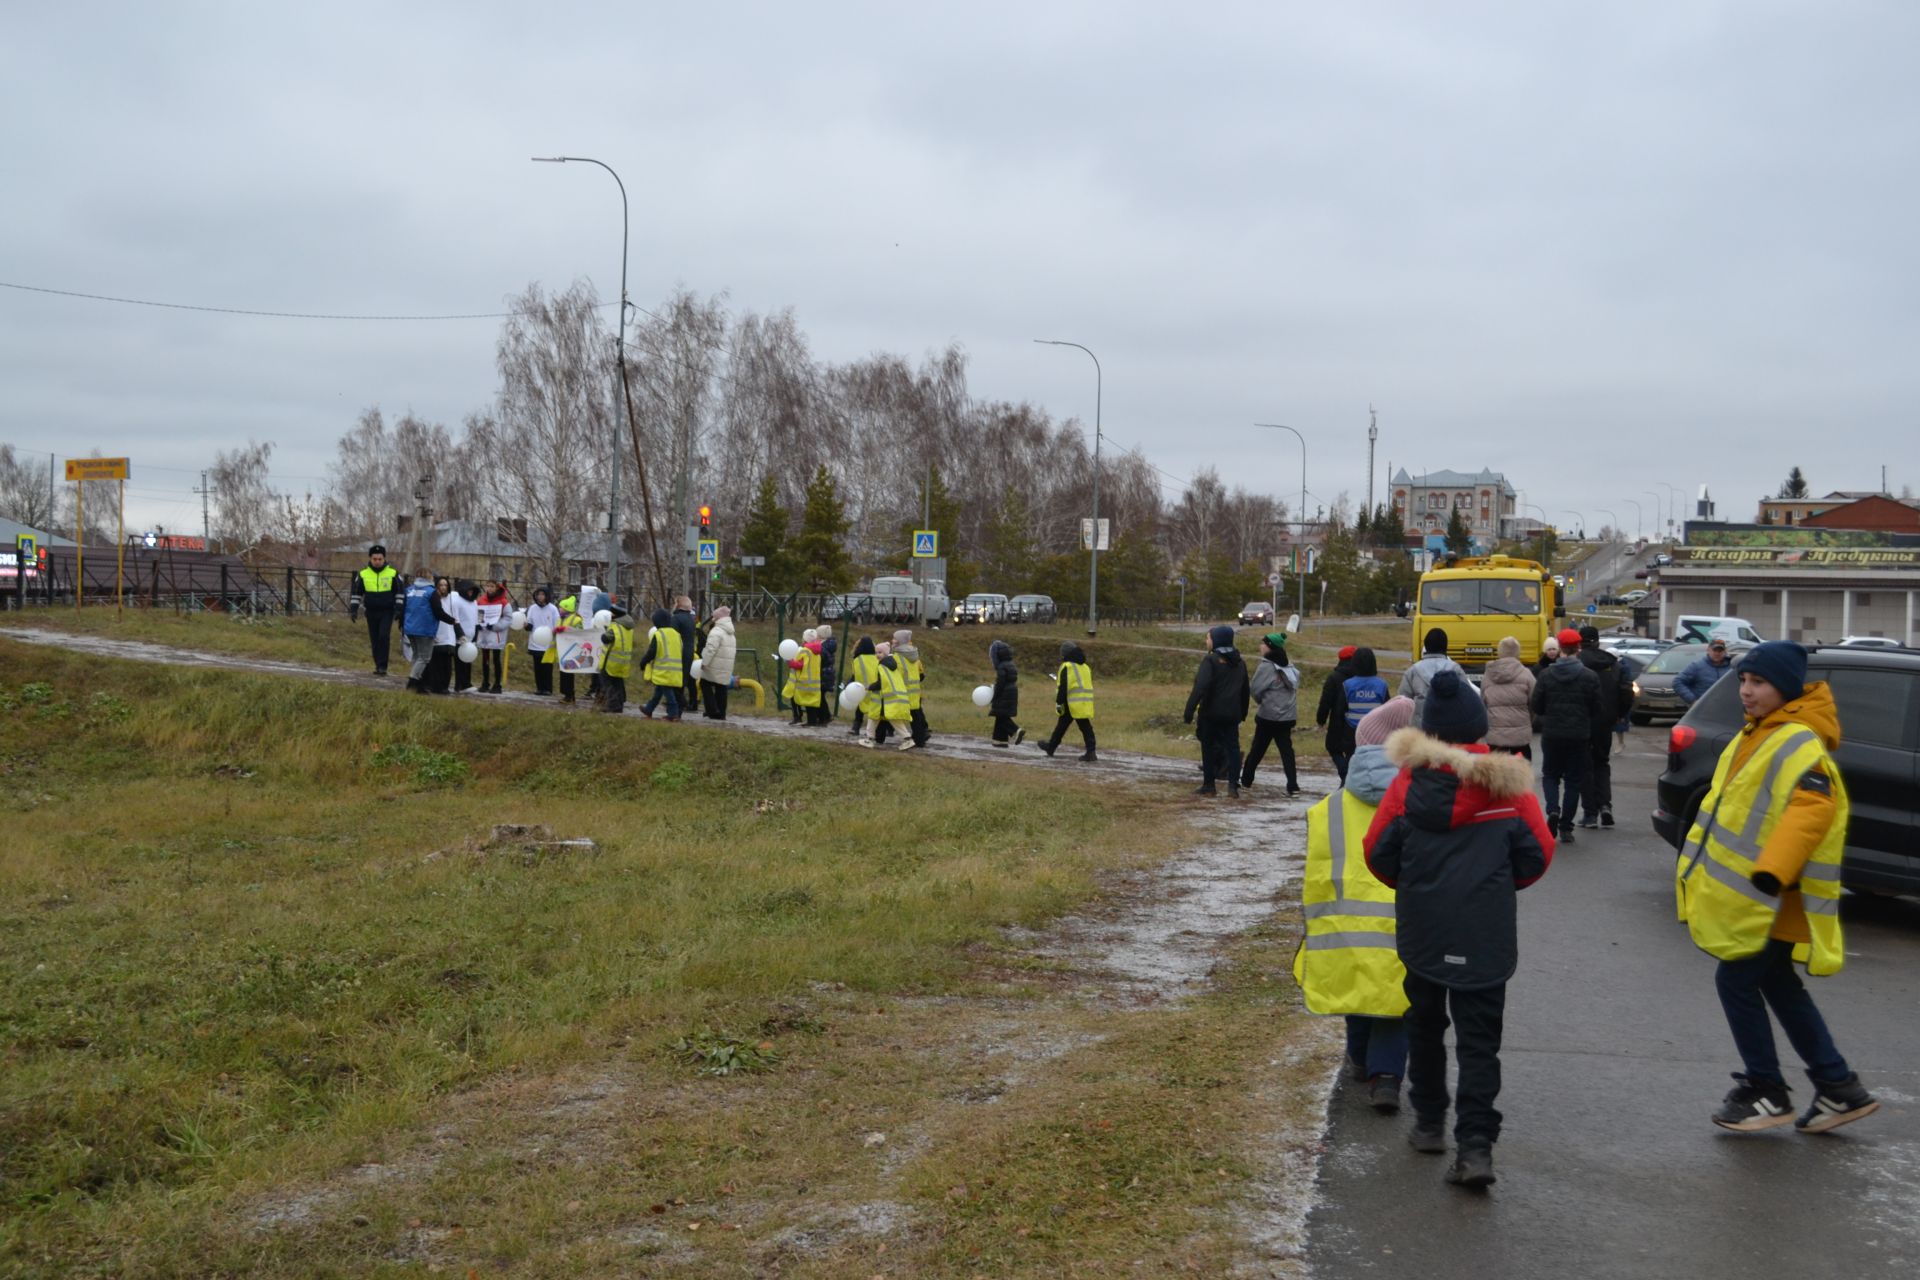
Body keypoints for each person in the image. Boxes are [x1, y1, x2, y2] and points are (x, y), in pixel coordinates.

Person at [1363, 671, 1554, 1189]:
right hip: (1484, 931)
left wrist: (1416, 885)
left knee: (1424, 1026)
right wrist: (1495, 886)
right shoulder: (1508, 785)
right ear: (1478, 727)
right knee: (1478, 1043)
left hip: (1423, 928)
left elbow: (1378, 855)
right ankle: (1475, 1149)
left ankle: (1428, 1124)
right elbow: (1537, 857)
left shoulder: (1406, 784)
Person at [1678, 641, 1878, 1133]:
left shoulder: (1796, 740)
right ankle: (1837, 1087)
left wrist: (1773, 869)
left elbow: (1812, 811)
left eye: (1758, 683)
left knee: (1737, 980)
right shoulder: (1761, 732)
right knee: (1777, 984)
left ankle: (1766, 1089)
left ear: (1784, 688)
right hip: (1766, 895)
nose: (1746, 690)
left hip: (1774, 894)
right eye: (1744, 681)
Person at [1296, 696, 1417, 1114]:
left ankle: (1360, 1058)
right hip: (1406, 922)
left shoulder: (1329, 807)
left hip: (1343, 923)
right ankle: (1386, 1077)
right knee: (1395, 1000)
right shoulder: (1419, 800)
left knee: (1359, 986)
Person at [1530, 628, 1601, 843]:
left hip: (1552, 733)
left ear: (1560, 648)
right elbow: (1596, 709)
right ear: (1578, 648)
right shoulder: (1589, 676)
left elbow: (1537, 706)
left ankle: (1552, 810)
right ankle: (1566, 826)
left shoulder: (1546, 675)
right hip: (1579, 735)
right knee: (1573, 780)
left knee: (1550, 775)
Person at [1575, 624, 1632, 829]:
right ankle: (1606, 806)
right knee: (1602, 763)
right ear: (1598, 641)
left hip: (1582, 721)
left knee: (1584, 766)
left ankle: (1590, 813)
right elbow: (1627, 691)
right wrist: (1619, 715)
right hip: (1605, 721)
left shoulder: (1577, 664)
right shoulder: (1613, 664)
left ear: (1580, 642)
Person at [1184, 624, 1250, 797]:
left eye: (1208, 638)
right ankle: (1233, 786)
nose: (1206, 641)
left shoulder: (1211, 660)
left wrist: (1189, 710)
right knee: (1233, 749)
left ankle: (1209, 785)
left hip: (1211, 713)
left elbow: (1200, 686)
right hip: (1232, 714)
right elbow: (1245, 690)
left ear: (1216, 640)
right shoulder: (1240, 662)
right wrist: (1243, 713)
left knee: (1208, 747)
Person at [1242, 633, 1300, 792]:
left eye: (1263, 644)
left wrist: (1262, 701)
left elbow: (1255, 689)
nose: (1260, 647)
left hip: (1268, 716)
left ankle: (1246, 780)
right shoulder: (1289, 665)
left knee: (1257, 749)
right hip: (1287, 717)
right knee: (1287, 751)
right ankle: (1293, 785)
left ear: (1270, 647)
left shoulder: (1266, 666)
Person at [348, 544, 403, 676]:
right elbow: (356, 593)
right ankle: (378, 664)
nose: (377, 561)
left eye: (380, 559)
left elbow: (400, 593)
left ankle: (383, 666)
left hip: (387, 611)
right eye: (374, 559)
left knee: (384, 636)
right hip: (371, 611)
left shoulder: (393, 573)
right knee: (375, 639)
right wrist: (353, 610)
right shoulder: (363, 574)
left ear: (384, 559)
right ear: (370, 559)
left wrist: (398, 609)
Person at [1038, 640, 1097, 762]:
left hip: (1071, 702)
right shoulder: (1085, 667)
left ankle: (1051, 747)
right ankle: (1090, 751)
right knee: (1084, 727)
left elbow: (1063, 687)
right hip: (1083, 702)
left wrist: (1059, 702)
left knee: (1064, 726)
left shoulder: (1067, 667)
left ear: (1065, 654)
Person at [1399, 628, 1467, 728]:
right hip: (1450, 730)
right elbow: (1467, 699)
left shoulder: (1413, 671)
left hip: (1420, 731)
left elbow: (1401, 702)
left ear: (1426, 646)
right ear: (1445, 647)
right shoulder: (1455, 670)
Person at [1481, 636, 1536, 760]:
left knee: (1497, 775)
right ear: (1517, 652)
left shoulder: (1488, 675)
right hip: (1521, 737)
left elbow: (1483, 702)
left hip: (1496, 736)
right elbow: (1534, 702)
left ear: (1500, 652)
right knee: (1521, 775)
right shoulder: (1526, 674)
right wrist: (1528, 721)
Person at [1316, 645, 1359, 781]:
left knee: (1333, 748)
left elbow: (1325, 701)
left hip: (1338, 721)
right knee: (1352, 752)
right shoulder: (1361, 678)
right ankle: (1348, 776)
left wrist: (1321, 720)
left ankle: (1345, 774)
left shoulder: (1334, 677)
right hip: (1359, 722)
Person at [639, 608, 685, 720]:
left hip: (664, 669)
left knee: (668, 692)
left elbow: (652, 651)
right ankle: (649, 709)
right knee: (659, 691)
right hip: (676, 669)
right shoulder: (677, 634)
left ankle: (673, 713)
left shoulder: (659, 634)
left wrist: (643, 662)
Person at [400, 568, 438, 694]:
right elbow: (438, 611)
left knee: (416, 656)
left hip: (410, 628)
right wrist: (451, 620)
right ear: (429, 577)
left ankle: (418, 685)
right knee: (424, 657)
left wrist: (402, 625)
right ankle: (412, 682)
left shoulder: (409, 590)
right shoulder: (431, 591)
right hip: (424, 629)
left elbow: (403, 608)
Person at [1340, 648, 1389, 744]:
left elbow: (1340, 710)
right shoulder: (1382, 685)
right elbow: (1387, 709)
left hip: (1352, 731)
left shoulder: (1347, 685)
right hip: (1376, 731)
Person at [893, 629, 930, 750]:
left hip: (904, 691)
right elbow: (920, 674)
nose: (892, 641)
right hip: (914, 691)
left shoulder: (898, 657)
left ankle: (879, 735)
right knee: (916, 716)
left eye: (895, 639)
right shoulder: (913, 655)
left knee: (893, 713)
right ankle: (920, 739)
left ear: (899, 642)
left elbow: (896, 674)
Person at [547, 593, 585, 705]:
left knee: (568, 675)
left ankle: (570, 695)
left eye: (561, 607)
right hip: (562, 651)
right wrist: (554, 631)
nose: (559, 609)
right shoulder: (560, 619)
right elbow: (558, 631)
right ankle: (566, 695)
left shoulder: (577, 619)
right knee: (563, 675)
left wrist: (565, 629)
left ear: (567, 608)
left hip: (571, 651)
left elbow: (579, 633)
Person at [1676, 637, 1738, 706]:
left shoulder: (1732, 667)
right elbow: (1678, 682)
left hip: (1725, 709)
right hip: (1703, 710)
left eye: (1720, 651)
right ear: (1708, 650)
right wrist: (1693, 700)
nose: (1717, 653)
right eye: (1714, 650)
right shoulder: (1696, 666)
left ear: (1725, 651)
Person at [700, 605, 737, 720]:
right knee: (721, 687)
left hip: (714, 665)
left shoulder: (716, 631)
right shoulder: (731, 632)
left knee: (704, 683)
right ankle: (721, 713)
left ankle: (712, 710)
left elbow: (711, 649)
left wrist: (704, 662)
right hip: (726, 666)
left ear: (717, 619)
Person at [475, 580, 511, 694]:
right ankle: (485, 683)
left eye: (492, 586)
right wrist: (478, 624)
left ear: (496, 588)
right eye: (488, 586)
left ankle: (497, 684)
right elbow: (477, 614)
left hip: (496, 634)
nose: (489, 588)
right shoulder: (481, 600)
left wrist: (496, 626)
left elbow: (508, 618)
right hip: (484, 633)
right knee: (485, 660)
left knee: (496, 660)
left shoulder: (503, 601)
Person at [598, 605, 635, 713]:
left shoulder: (615, 626)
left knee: (609, 684)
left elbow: (606, 638)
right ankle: (619, 705)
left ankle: (612, 705)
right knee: (618, 683)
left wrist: (604, 632)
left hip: (611, 661)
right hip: (623, 661)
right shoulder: (628, 626)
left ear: (615, 614)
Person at [426, 576, 458, 695]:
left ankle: (444, 686)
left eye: (445, 585)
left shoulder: (452, 599)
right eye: (441, 585)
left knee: (446, 663)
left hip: (448, 634)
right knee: (435, 661)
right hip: (436, 631)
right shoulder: (433, 598)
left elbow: (455, 616)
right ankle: (434, 685)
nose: (443, 587)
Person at [525, 588, 560, 696]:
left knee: (547, 668)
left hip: (548, 643)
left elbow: (557, 624)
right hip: (535, 643)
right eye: (538, 594)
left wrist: (553, 633)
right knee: (537, 667)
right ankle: (539, 688)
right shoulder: (532, 608)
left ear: (547, 596)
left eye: (542, 594)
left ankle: (547, 689)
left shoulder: (553, 609)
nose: (540, 597)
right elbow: (529, 623)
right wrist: (526, 626)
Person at [989, 639, 1024, 746]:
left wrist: (994, 695)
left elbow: (1001, 682)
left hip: (1004, 692)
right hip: (1012, 691)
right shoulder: (1010, 664)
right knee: (1000, 715)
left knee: (1002, 716)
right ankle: (1000, 740)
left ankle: (1015, 731)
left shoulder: (1001, 667)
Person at [449, 581, 481, 693]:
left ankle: (467, 683)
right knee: (460, 663)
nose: (470, 593)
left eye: (472, 591)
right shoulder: (457, 601)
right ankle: (459, 685)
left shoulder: (474, 603)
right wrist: (460, 635)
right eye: (469, 590)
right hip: (460, 638)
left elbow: (476, 621)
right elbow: (455, 619)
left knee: (468, 662)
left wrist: (475, 637)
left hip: (471, 639)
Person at [672, 595, 699, 714]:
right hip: (689, 652)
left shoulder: (676, 618)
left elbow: (672, 636)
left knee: (676, 680)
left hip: (678, 652)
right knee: (684, 680)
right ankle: (683, 704)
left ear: (678, 605)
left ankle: (680, 704)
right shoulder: (691, 619)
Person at [847, 635, 879, 734]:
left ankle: (855, 728)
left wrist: (848, 685)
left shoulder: (857, 660)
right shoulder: (877, 658)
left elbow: (854, 675)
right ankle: (883, 730)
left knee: (860, 709)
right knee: (877, 711)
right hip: (875, 688)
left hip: (862, 689)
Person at [818, 623, 839, 720]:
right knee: (821, 696)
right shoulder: (829, 646)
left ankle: (825, 716)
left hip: (823, 674)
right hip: (827, 673)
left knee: (820, 696)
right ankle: (825, 716)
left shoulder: (822, 647)